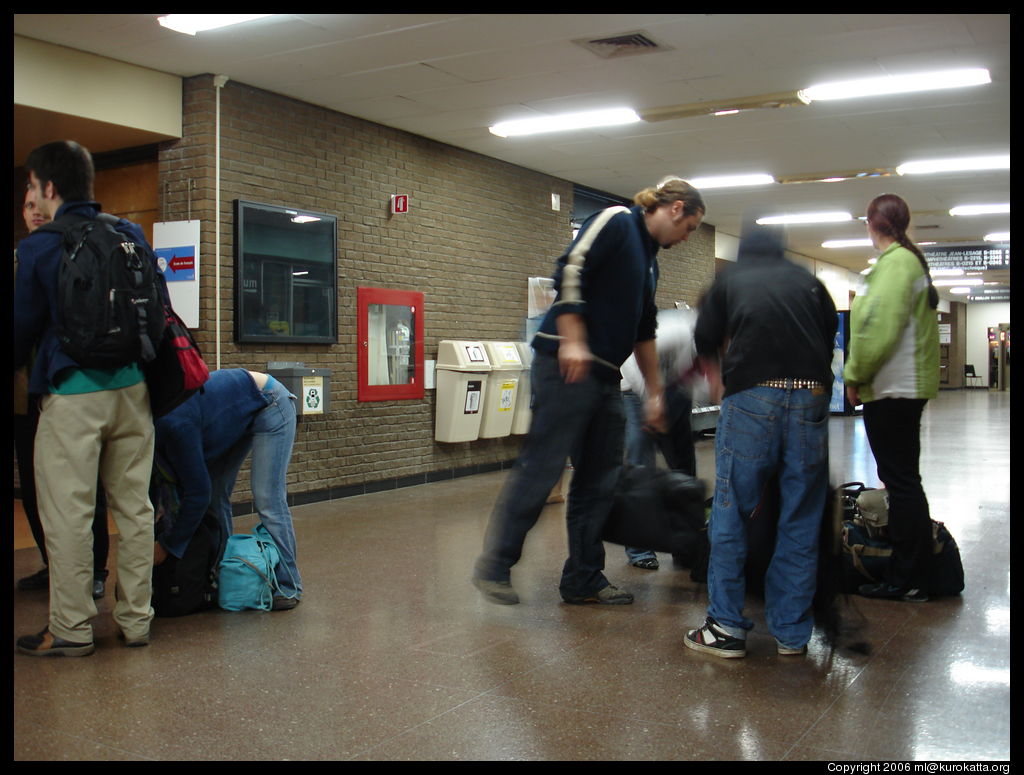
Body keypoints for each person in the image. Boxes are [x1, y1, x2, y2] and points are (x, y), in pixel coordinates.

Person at [472, 177, 705, 606]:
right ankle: (495, 565)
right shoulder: (617, 221)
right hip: (563, 364)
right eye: (690, 227)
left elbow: (644, 330)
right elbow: (571, 268)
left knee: (600, 479)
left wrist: (655, 393)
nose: (688, 237)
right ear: (676, 208)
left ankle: (583, 578)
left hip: (604, 378)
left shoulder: (650, 261)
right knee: (544, 466)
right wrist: (574, 338)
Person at [15, 141, 157, 656]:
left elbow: (20, 329)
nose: (31, 194)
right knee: (136, 511)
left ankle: (71, 630)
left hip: (72, 396)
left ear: (49, 188)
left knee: (70, 515)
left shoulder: (39, 246)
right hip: (133, 391)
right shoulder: (128, 233)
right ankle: (137, 621)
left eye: (31, 186)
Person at [684, 223, 837, 658]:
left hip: (753, 393)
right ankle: (792, 632)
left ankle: (726, 628)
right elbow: (828, 340)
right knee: (802, 514)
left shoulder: (730, 280)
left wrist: (720, 384)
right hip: (811, 395)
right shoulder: (810, 282)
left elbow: (705, 340)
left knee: (732, 508)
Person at [15, 189, 112, 600]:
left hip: (67, 390)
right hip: (25, 396)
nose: (34, 211)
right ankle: (54, 564)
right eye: (26, 205)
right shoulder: (23, 259)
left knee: (82, 488)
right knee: (37, 490)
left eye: (40, 203)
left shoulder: (71, 255)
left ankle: (92, 571)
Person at [844, 193, 939, 603]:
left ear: (870, 223)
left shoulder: (896, 264)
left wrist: (853, 376)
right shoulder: (899, 262)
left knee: (900, 482)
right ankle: (911, 572)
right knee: (901, 480)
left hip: (893, 388)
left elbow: (876, 330)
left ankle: (906, 576)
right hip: (898, 387)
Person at [153, 368, 302, 609]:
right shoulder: (159, 433)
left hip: (269, 400)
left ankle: (288, 585)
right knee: (216, 494)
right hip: (232, 414)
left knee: (267, 498)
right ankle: (223, 575)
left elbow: (197, 493)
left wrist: (168, 545)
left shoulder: (175, 425)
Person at [620, 306, 701, 570]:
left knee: (684, 466)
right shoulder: (676, 330)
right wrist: (652, 401)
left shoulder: (712, 342)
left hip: (675, 391)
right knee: (641, 465)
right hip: (636, 390)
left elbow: (702, 380)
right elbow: (632, 359)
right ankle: (638, 548)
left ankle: (685, 544)